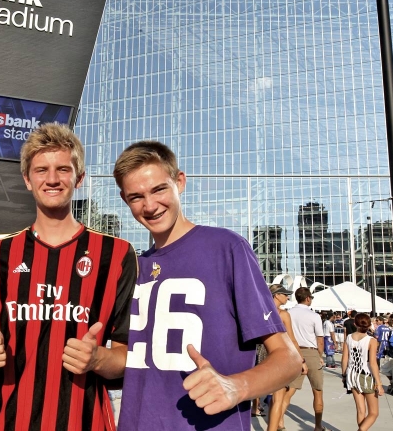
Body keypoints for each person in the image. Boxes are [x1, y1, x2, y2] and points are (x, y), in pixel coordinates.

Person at [112, 141, 300, 430]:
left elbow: (289, 360)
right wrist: (94, 359)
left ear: (180, 182)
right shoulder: (132, 267)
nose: (149, 206)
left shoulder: (227, 248)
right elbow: (125, 363)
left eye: (159, 189)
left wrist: (236, 387)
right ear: (125, 200)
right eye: (136, 196)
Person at [0, 124, 138, 430]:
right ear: (27, 179)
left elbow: (127, 357)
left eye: (63, 169)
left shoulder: (116, 255)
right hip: (8, 422)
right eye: (41, 170)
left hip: (86, 423)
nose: (52, 179)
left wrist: (98, 359)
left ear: (79, 178)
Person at [266, 284, 307, 431]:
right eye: (285, 294)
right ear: (276, 295)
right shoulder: (283, 314)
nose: (287, 297)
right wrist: (302, 360)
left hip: (261, 353)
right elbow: (292, 339)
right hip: (277, 354)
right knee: (278, 399)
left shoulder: (259, 311)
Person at [285, 287, 326, 431]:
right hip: (310, 351)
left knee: (290, 389)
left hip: (293, 352)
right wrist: (319, 356)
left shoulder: (288, 313)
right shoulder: (314, 316)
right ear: (308, 298)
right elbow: (320, 340)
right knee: (317, 390)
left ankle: (278, 421)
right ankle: (318, 425)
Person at [342, 313, 384, 430]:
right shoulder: (371, 340)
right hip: (366, 376)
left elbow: (344, 359)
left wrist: (344, 375)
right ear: (369, 325)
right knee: (374, 413)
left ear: (355, 324)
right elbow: (373, 363)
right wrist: (379, 383)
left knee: (361, 410)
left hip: (352, 374)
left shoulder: (349, 338)